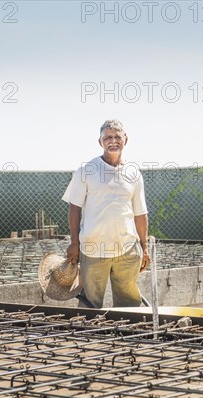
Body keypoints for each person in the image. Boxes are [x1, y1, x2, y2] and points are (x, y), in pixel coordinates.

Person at [62, 119, 150, 308]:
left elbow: (140, 213)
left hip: (127, 249)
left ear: (125, 139)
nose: (113, 141)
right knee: (89, 304)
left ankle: (128, 336)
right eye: (107, 137)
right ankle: (87, 336)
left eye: (117, 136)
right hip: (94, 249)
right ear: (100, 142)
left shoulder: (133, 173)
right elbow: (74, 209)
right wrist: (75, 243)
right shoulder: (86, 171)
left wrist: (144, 247)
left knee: (129, 305)